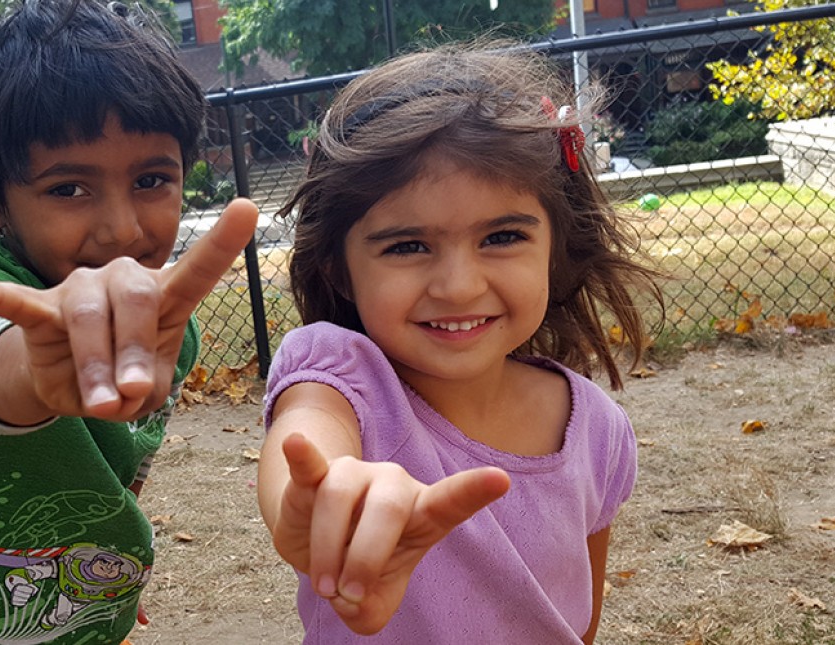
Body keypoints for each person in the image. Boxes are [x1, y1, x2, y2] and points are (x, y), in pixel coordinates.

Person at [0, 1, 258, 644]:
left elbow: (125, 463)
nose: (122, 228)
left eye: (152, 178)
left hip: (71, 604)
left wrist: (102, 560)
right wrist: (44, 368)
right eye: (69, 188)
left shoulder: (167, 326)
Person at [257, 44, 663, 643]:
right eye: (407, 246)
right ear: (340, 270)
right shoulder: (339, 376)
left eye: (501, 236)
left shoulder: (598, 429)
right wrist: (323, 496)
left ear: (556, 247)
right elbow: (308, 438)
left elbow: (577, 620)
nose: (458, 286)